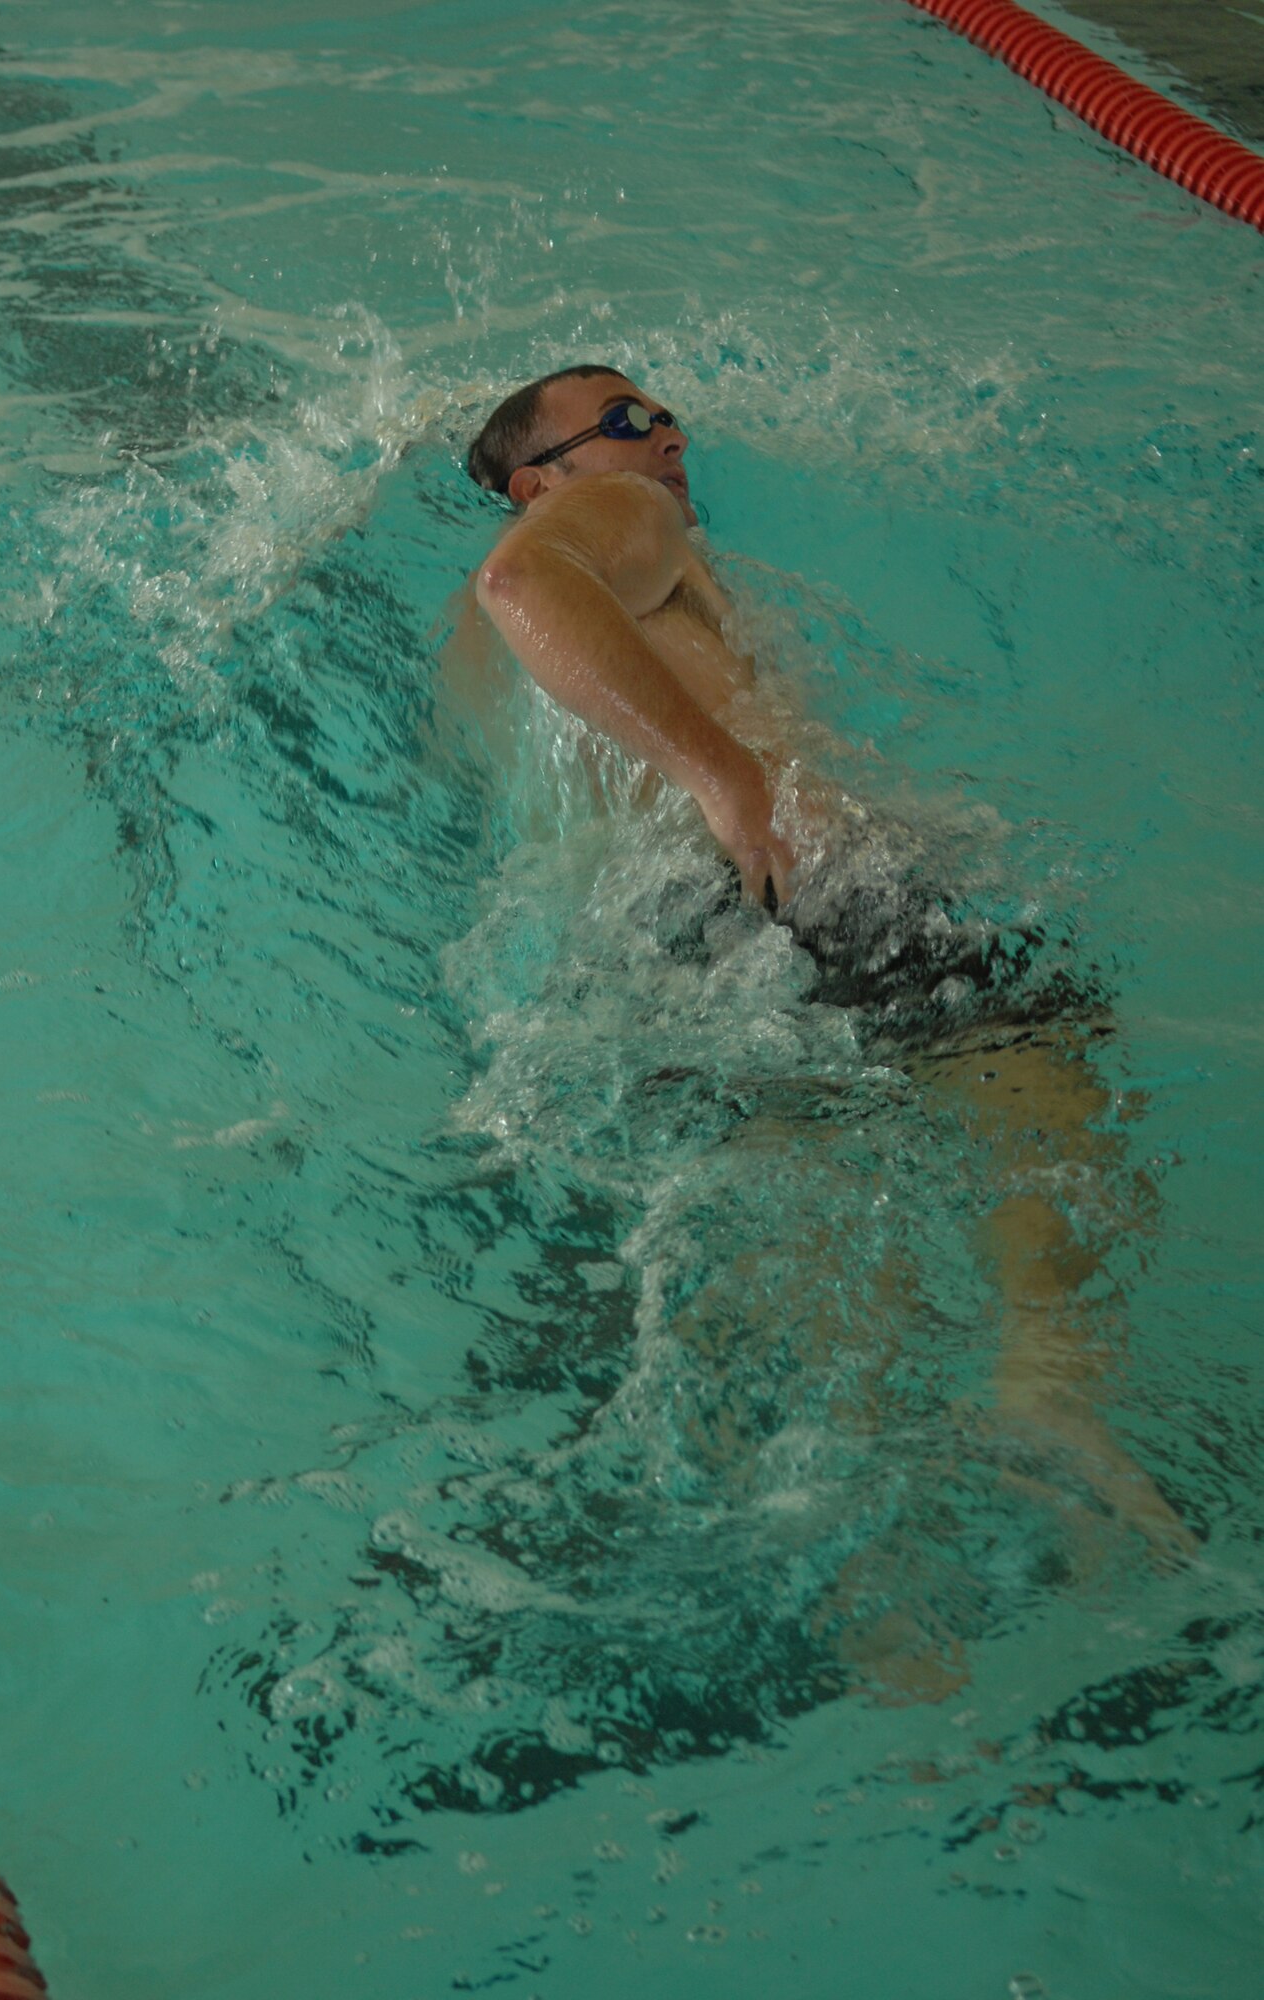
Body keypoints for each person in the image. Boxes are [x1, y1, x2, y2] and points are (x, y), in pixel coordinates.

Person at [446, 363, 1194, 1695]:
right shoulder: (622, 528)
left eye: (661, 413)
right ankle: (1047, 1391)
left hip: (648, 953)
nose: (663, 434)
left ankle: (875, 1609)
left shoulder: (456, 659)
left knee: (818, 1215)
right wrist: (728, 776)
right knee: (1035, 1048)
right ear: (537, 481)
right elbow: (527, 587)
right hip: (781, 882)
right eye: (620, 422)